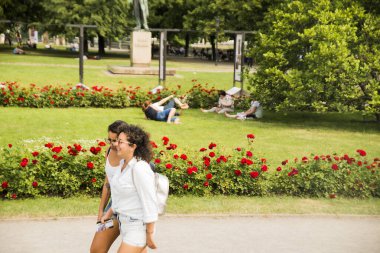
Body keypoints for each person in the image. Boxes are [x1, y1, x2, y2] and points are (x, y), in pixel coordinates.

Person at [101, 124, 158, 253]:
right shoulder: (122, 165)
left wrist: (149, 234)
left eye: (120, 142)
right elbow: (119, 195)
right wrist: (108, 213)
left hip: (138, 228)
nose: (116, 144)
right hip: (124, 224)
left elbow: (150, 202)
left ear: (133, 146)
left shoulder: (140, 168)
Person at [90, 120, 126, 253]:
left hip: (132, 209)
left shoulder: (131, 157)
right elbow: (107, 183)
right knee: (96, 249)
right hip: (113, 204)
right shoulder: (109, 151)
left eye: (115, 140)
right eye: (109, 140)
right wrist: (101, 211)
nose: (112, 144)